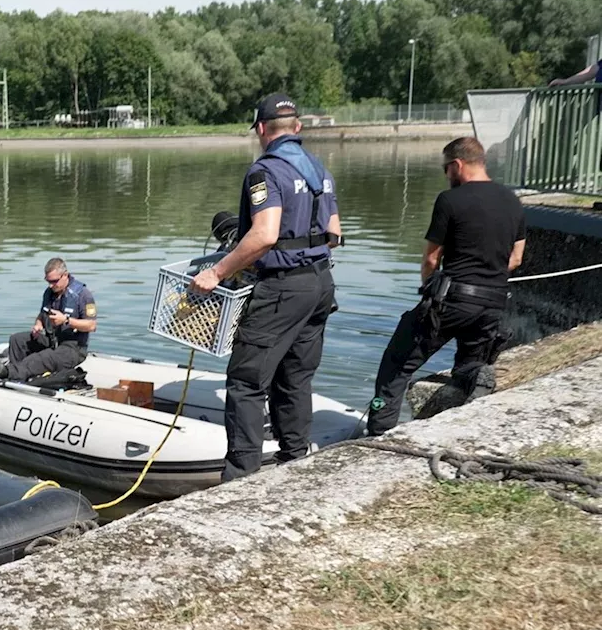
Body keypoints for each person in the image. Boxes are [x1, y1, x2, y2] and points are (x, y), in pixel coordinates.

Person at [189, 93, 342, 482]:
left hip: (283, 290)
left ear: (260, 129)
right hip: (321, 284)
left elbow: (264, 234)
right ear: (298, 128)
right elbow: (335, 234)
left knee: (246, 382)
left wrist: (217, 273)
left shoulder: (266, 171)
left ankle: (240, 479)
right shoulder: (318, 169)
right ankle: (295, 462)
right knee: (295, 377)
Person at [366, 137, 525, 436]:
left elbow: (431, 259)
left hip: (451, 301)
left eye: (445, 169)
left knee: (396, 365)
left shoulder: (450, 200)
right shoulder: (511, 200)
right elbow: (516, 258)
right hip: (493, 303)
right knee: (467, 366)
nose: (446, 176)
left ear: (457, 165)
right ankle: (475, 376)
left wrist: (430, 290)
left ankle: (378, 432)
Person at [0, 258, 97, 382]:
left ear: (65, 275)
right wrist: (38, 324)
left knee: (41, 358)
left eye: (54, 281)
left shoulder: (83, 295)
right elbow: (42, 314)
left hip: (72, 349)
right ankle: (17, 375)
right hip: (52, 341)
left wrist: (66, 320)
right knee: (17, 339)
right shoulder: (49, 293)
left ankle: (9, 372)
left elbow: (91, 325)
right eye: (48, 281)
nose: (51, 285)